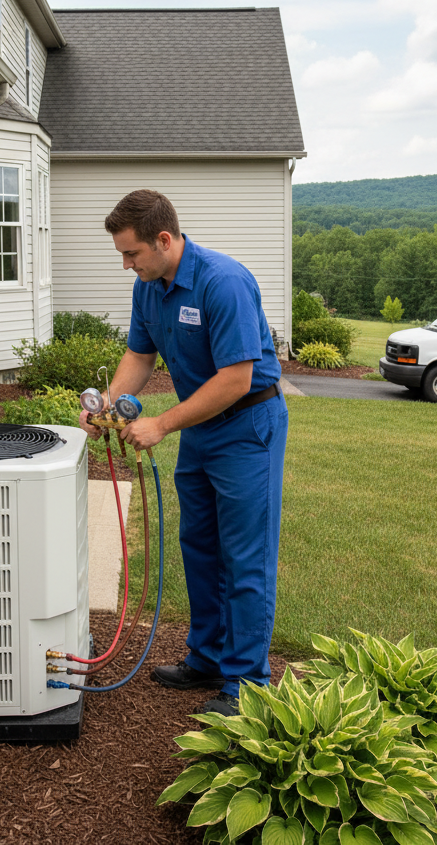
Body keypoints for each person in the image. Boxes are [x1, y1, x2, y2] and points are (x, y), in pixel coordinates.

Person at [80, 189, 288, 717]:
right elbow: (138, 355)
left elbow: (238, 379)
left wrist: (162, 423)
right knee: (199, 546)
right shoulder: (149, 287)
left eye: (132, 254)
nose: (127, 264)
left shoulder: (224, 282)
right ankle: (209, 657)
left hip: (247, 426)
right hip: (200, 427)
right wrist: (107, 405)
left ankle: (247, 684)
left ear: (164, 240)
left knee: (245, 557)